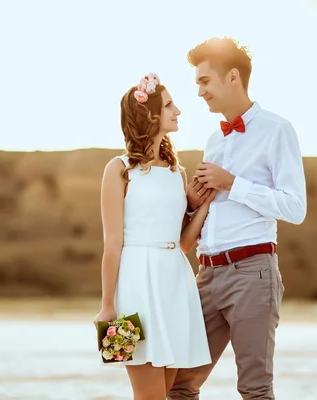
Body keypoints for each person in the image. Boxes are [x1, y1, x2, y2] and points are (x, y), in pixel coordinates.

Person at [167, 38, 308, 400]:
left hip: (253, 273)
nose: (199, 92)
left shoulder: (278, 130)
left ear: (232, 77)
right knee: (179, 384)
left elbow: (295, 207)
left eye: (204, 81)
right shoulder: (215, 139)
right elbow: (212, 207)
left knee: (254, 389)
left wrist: (232, 182)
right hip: (207, 274)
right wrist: (193, 202)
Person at [93, 73, 213, 400]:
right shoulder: (118, 169)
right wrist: (107, 306)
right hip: (135, 285)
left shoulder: (178, 172)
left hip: (175, 283)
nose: (178, 111)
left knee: (166, 393)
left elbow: (184, 244)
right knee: (148, 397)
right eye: (170, 105)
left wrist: (203, 205)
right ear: (152, 115)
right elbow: (112, 244)